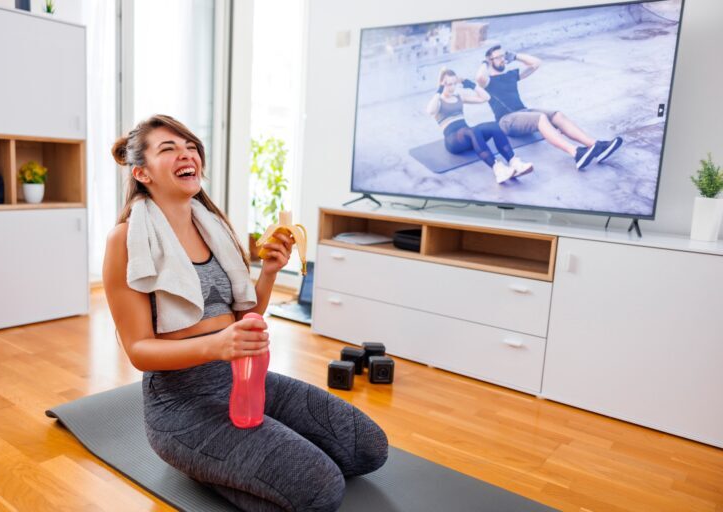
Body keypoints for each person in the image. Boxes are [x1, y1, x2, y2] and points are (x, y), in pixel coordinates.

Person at [102, 115, 388, 512]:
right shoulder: (126, 240)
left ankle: (233, 461)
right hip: (182, 406)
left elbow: (244, 319)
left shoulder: (213, 226)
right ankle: (204, 464)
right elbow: (138, 351)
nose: (187, 154)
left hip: (244, 380)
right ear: (142, 173)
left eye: (190, 146)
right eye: (168, 149)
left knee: (368, 448)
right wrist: (216, 346)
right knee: (321, 489)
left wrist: (269, 272)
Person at [476, 44, 623, 171]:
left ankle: (595, 146)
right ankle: (576, 153)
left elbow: (536, 63)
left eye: (503, 55)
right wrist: (485, 62)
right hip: (507, 121)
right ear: (490, 60)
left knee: (557, 115)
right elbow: (479, 78)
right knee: (541, 118)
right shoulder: (488, 81)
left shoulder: (511, 75)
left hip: (524, 112)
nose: (502, 59)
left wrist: (515, 56)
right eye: (498, 57)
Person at [426, 68, 534, 184]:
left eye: (454, 83)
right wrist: (439, 90)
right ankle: (498, 169)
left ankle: (514, 162)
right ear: (442, 84)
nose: (452, 87)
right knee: (471, 131)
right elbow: (430, 111)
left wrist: (469, 83)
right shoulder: (438, 101)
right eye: (448, 84)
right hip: (453, 140)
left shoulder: (459, 97)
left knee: (494, 126)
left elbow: (486, 98)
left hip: (469, 135)